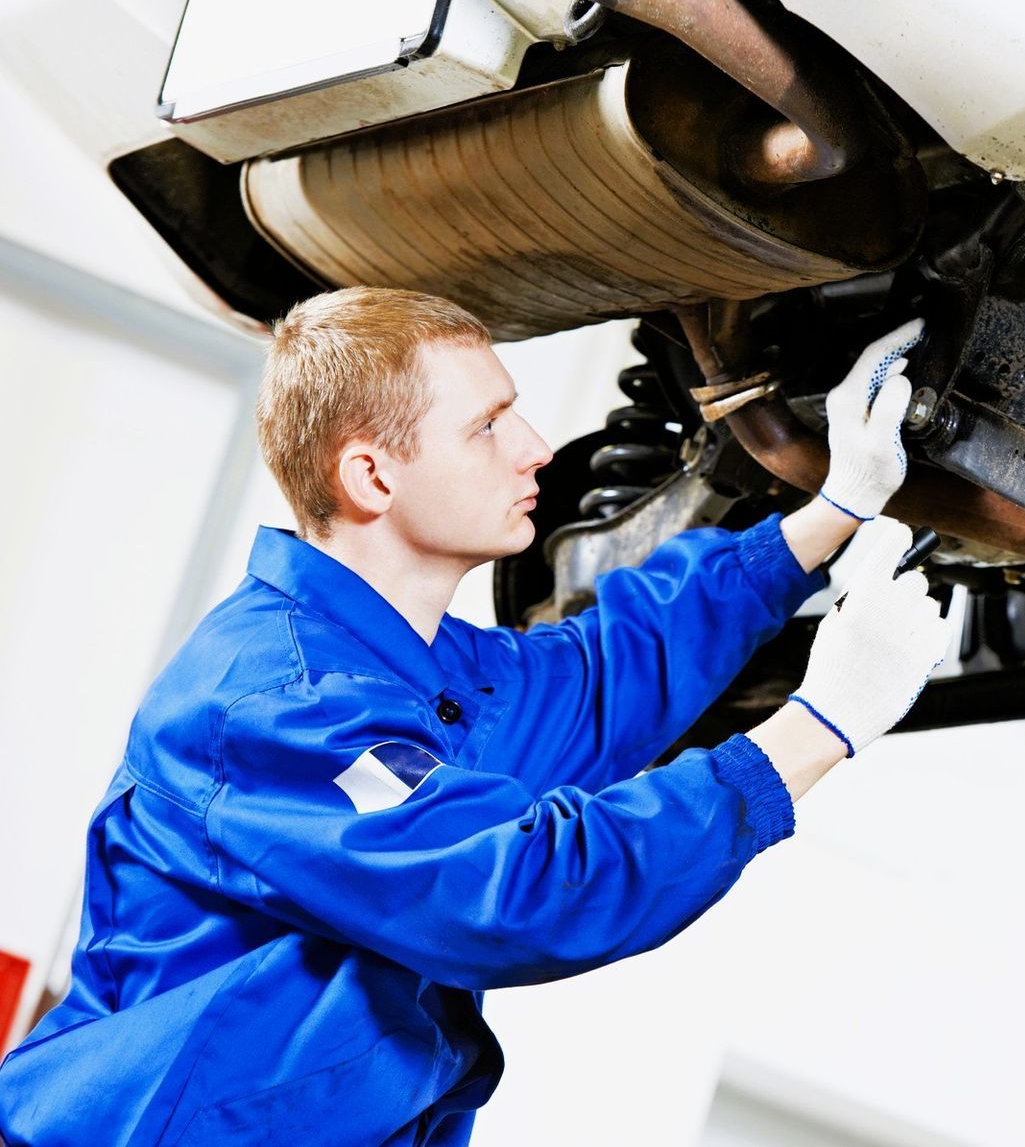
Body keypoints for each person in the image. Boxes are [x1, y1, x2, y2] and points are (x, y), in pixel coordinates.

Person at [0, 288, 949, 1146]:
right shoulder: (272, 706)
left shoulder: (422, 677)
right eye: (488, 426)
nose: (536, 445)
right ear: (373, 477)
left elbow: (604, 675)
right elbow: (521, 889)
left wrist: (834, 508)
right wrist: (821, 722)